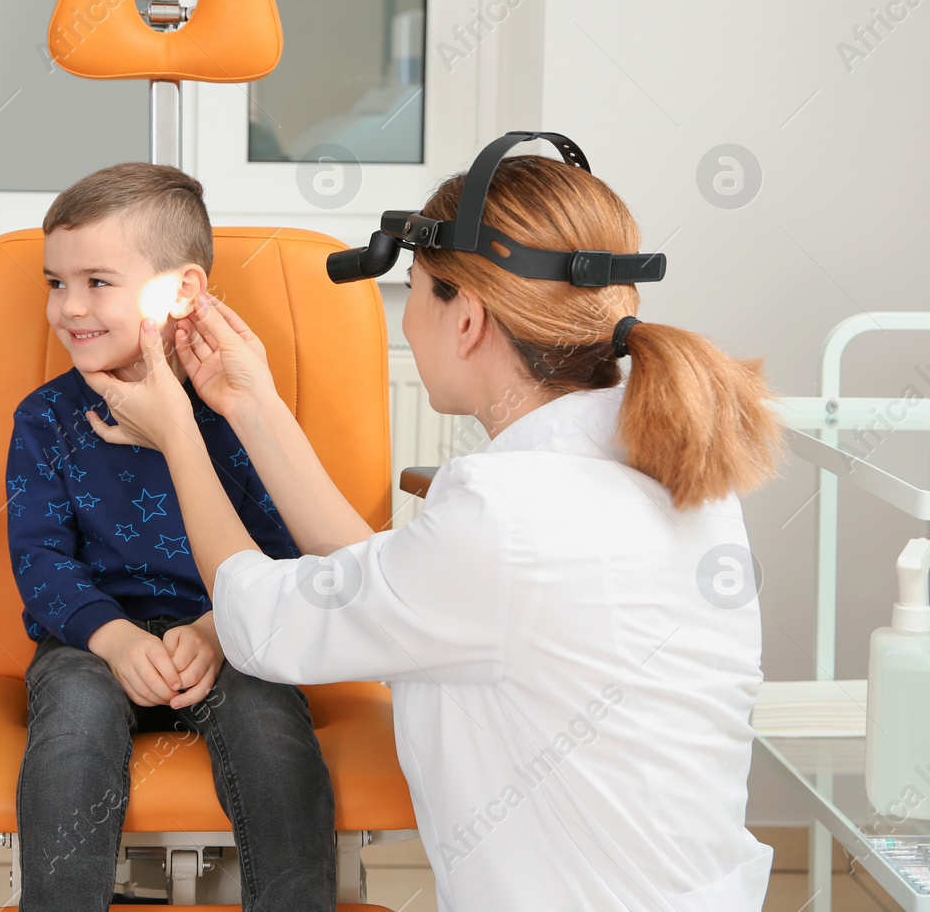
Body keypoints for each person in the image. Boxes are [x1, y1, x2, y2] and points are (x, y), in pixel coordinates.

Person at [82, 153, 785, 911]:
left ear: (469, 319)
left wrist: (180, 435)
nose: (407, 319)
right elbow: (390, 590)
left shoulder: (506, 518)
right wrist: (250, 406)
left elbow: (261, 619)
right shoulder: (666, 467)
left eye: (410, 291)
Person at [6, 162, 337, 911]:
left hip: (232, 632)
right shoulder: (44, 419)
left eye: (96, 281)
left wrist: (219, 630)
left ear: (181, 290)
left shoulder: (238, 406)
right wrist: (118, 641)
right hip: (90, 645)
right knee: (73, 730)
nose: (68, 307)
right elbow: (41, 562)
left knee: (275, 740)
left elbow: (288, 549)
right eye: (56, 282)